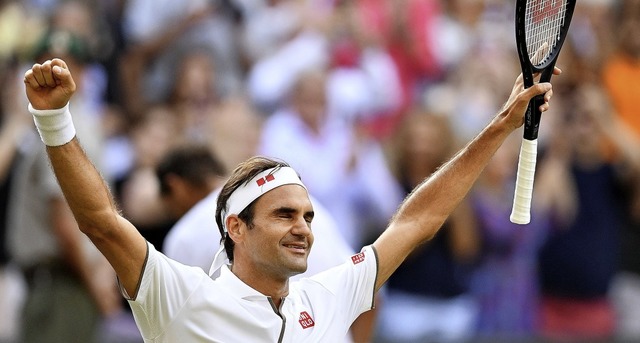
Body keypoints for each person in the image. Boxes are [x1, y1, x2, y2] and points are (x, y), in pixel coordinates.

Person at [22, 58, 556, 342]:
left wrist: (501, 125)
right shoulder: (180, 296)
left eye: (306, 214)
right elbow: (100, 222)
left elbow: (418, 220)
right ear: (236, 228)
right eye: (284, 214)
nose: (304, 226)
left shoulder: (321, 297)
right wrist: (54, 119)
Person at [156, 144, 375, 342]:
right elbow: (370, 295)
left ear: (174, 186)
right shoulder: (304, 202)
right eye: (283, 216)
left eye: (306, 219)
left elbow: (179, 319)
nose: (302, 228)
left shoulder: (185, 234)